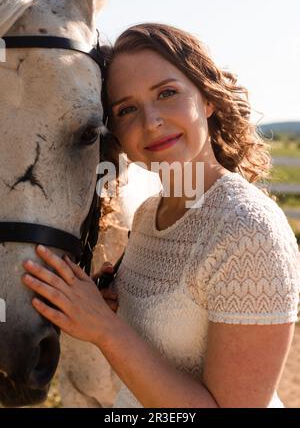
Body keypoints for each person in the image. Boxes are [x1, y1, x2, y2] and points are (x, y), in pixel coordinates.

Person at [22, 23, 300, 408]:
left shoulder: (248, 229)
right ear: (115, 130)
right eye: (127, 109)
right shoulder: (148, 216)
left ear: (207, 99)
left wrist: (106, 331)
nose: (150, 121)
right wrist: (112, 311)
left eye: (167, 93)